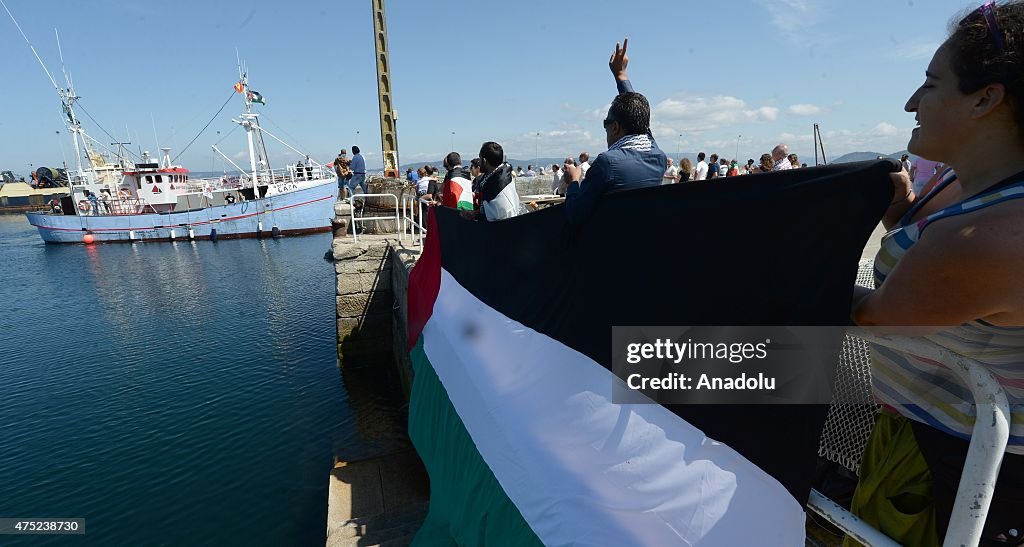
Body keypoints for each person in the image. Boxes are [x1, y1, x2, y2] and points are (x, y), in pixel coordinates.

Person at [850, 3, 1024, 544]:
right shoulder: (961, 183)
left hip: (965, 462)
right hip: (929, 423)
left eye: (929, 83)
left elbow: (865, 319)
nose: (910, 102)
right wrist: (898, 215)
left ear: (986, 97)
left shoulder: (992, 235)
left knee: (676, 363)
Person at [562, 39, 667, 224]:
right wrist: (621, 75)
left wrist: (573, 182)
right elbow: (638, 116)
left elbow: (574, 215)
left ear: (615, 127)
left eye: (606, 124)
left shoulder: (607, 163)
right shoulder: (657, 156)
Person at [474, 141, 521, 221]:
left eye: (480, 158)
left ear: (484, 161)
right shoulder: (501, 176)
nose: (479, 161)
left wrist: (476, 216)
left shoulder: (498, 184)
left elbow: (496, 217)